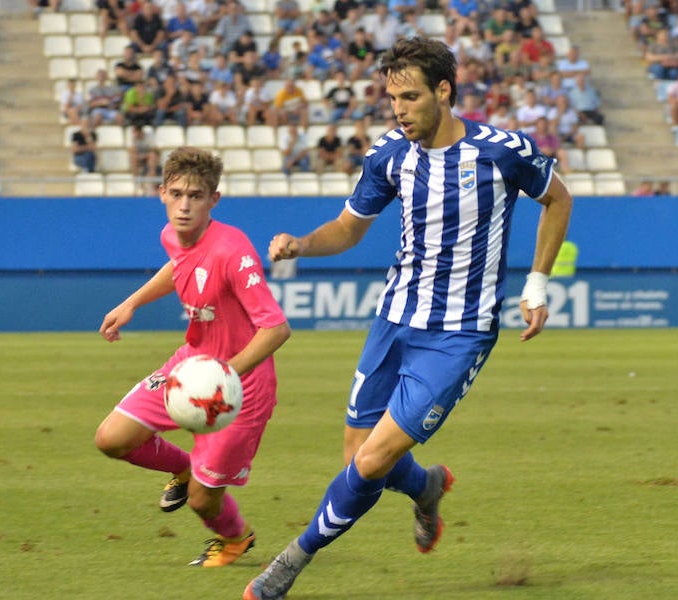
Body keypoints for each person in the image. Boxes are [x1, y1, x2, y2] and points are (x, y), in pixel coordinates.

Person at [243, 36, 572, 600]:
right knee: (358, 455)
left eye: (410, 97)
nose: (399, 109)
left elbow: (558, 199)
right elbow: (349, 227)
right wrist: (301, 244)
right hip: (394, 320)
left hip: (458, 336)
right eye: (392, 97)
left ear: (444, 91)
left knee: (370, 460)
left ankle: (290, 562)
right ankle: (426, 486)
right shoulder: (389, 154)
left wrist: (537, 283)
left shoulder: (501, 151)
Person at [95, 146, 291, 568]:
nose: (185, 206)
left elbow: (276, 328)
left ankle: (236, 538)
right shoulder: (172, 234)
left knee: (204, 502)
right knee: (112, 438)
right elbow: (178, 265)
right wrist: (133, 302)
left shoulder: (233, 252)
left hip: (241, 385)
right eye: (178, 194)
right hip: (191, 364)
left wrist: (224, 375)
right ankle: (185, 469)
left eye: (196, 196)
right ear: (162, 192)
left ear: (213, 200)